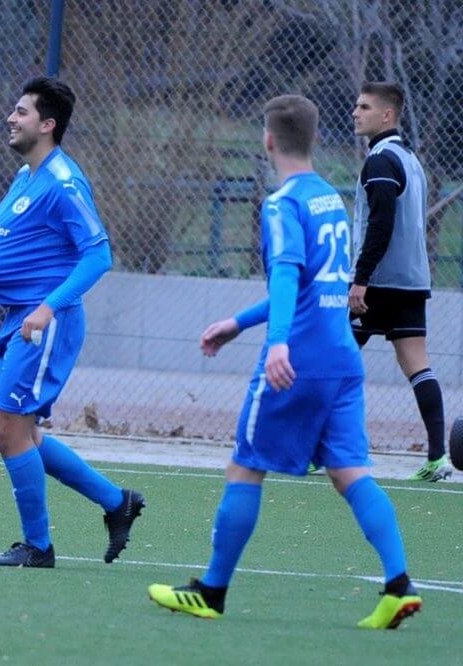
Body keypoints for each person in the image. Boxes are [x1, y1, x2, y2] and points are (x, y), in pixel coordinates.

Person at [147, 95, 421, 629]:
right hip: (342, 358)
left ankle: (211, 592)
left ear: (268, 140)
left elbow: (288, 274)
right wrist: (238, 322)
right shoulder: (329, 198)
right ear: (314, 140)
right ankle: (398, 585)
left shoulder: (281, 204)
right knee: (351, 473)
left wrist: (276, 344)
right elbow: (309, 286)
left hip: (297, 359)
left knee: (245, 465)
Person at [0, 77, 145, 568]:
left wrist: (47, 307)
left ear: (47, 124)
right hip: (18, 315)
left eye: (21, 112)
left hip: (43, 323)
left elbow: (97, 256)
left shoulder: (63, 182)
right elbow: (20, 247)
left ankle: (38, 547)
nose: (11, 118)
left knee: (7, 428)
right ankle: (117, 503)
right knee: (26, 434)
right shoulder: (28, 174)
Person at [349, 81, 451, 482]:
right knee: (417, 365)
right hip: (411, 281)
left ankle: (325, 451)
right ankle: (438, 458)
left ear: (387, 115)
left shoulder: (380, 161)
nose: (355, 113)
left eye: (364, 107)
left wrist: (361, 279)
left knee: (330, 359)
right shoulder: (410, 159)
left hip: (378, 284)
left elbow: (381, 223)